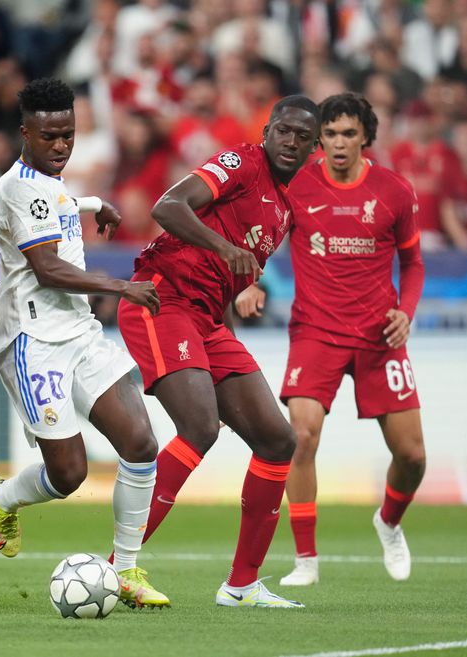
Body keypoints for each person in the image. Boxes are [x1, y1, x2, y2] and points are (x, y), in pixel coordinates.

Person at [116, 95, 322, 608]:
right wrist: (224, 248)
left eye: (302, 136)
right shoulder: (241, 162)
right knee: (200, 427)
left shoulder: (285, 210)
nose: (291, 142)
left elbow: (224, 281)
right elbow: (168, 206)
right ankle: (117, 565)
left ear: (313, 147)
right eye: (284, 131)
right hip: (161, 298)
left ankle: (242, 585)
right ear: (268, 131)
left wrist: (225, 328)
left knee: (278, 440)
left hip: (208, 320)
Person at [0, 78, 169, 609]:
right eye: (50, 136)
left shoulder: (52, 181)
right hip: (30, 340)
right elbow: (46, 267)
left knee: (140, 442)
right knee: (68, 474)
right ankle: (5, 497)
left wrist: (94, 204)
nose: (61, 146)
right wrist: (120, 285)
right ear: (25, 133)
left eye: (68, 135)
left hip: (80, 334)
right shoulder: (15, 187)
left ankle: (126, 570)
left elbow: (58, 200)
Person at [236, 92, 426, 586]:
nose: (338, 143)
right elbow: (261, 237)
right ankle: (306, 560)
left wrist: (406, 313)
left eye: (348, 133)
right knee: (299, 436)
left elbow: (414, 263)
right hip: (316, 331)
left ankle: (388, 521)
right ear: (319, 138)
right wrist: (250, 281)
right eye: (330, 134)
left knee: (412, 456)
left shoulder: (394, 191)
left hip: (379, 335)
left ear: (365, 136)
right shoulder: (297, 185)